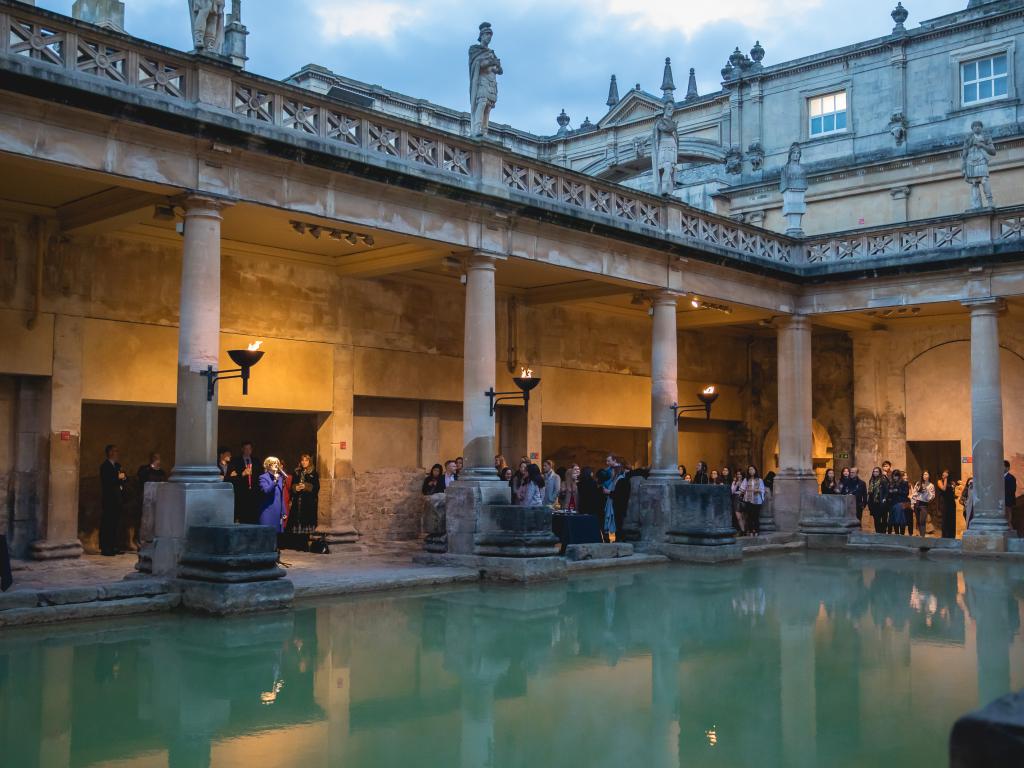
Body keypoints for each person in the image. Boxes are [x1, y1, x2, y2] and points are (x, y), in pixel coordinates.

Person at [99, 444, 126, 556]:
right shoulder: (105, 466)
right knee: (108, 523)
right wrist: (119, 478)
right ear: (110, 453)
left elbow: (124, 477)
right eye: (115, 451)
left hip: (118, 497)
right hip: (109, 498)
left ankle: (114, 546)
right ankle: (106, 548)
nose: (117, 453)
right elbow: (108, 481)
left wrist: (122, 478)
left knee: (115, 523)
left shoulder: (118, 465)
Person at [289, 453, 319, 533]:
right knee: (296, 521)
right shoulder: (297, 472)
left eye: (306, 460)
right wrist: (296, 487)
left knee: (306, 523)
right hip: (298, 501)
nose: (304, 462)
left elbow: (316, 487)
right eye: (302, 460)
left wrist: (306, 486)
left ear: (309, 461)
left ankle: (306, 541)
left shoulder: (313, 473)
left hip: (308, 503)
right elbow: (292, 485)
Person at [258, 456, 289, 533]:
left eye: (277, 463)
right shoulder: (263, 477)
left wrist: (283, 511)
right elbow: (266, 491)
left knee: (277, 536)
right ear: (268, 465)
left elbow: (281, 496)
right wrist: (274, 481)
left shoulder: (280, 478)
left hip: (277, 511)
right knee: (266, 534)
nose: (276, 465)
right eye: (273, 463)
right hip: (267, 511)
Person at [232, 441, 260, 524]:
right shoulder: (236, 461)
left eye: (249, 449)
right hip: (242, 493)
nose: (248, 451)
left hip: (254, 493)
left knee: (253, 517)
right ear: (242, 449)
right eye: (246, 449)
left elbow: (260, 474)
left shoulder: (256, 461)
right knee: (243, 517)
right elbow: (233, 477)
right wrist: (242, 474)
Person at [739, 465, 766, 536]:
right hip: (748, 500)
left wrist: (758, 490)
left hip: (757, 501)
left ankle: (756, 530)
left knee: (756, 516)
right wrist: (740, 494)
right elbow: (742, 489)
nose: (751, 471)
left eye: (752, 469)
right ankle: (751, 530)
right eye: (749, 470)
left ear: (755, 470)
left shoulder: (760, 480)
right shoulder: (746, 480)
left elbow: (763, 489)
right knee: (749, 516)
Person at [911, 471, 935, 537]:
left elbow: (931, 497)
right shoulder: (918, 483)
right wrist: (912, 504)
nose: (925, 475)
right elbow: (914, 494)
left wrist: (926, 491)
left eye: (926, 474)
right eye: (924, 474)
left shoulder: (931, 485)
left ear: (929, 475)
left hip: (924, 504)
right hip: (917, 503)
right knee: (918, 521)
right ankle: (920, 534)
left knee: (922, 521)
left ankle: (922, 537)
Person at [888, 470, 911, 535]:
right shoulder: (891, 483)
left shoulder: (904, 482)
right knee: (895, 520)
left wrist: (897, 490)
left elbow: (906, 493)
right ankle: (897, 534)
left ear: (899, 476)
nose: (895, 477)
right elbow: (889, 493)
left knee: (901, 521)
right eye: (894, 476)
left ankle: (902, 535)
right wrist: (890, 492)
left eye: (896, 476)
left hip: (900, 503)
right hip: (893, 503)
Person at [867, 466, 889, 534]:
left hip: (881, 502)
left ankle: (883, 532)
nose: (875, 473)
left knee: (883, 519)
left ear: (879, 472)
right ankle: (878, 532)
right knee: (876, 519)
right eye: (874, 471)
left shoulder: (883, 480)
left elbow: (886, 491)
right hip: (874, 503)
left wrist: (885, 498)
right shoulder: (871, 480)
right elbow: (870, 492)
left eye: (876, 471)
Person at [937, 469, 957, 539]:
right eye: (943, 475)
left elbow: (953, 493)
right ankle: (945, 536)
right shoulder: (939, 481)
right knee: (945, 519)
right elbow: (944, 489)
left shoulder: (952, 482)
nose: (943, 476)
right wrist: (945, 479)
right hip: (944, 503)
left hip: (951, 502)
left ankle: (952, 536)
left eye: (945, 475)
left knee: (951, 519)